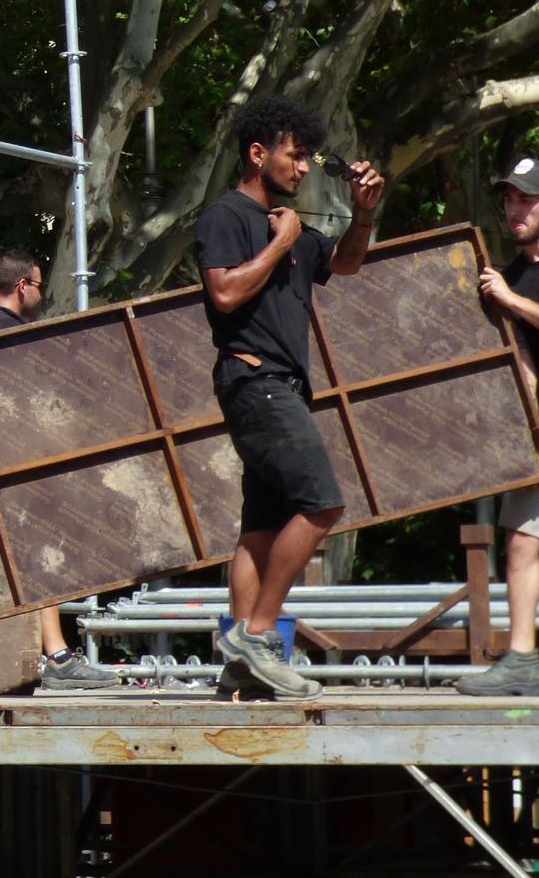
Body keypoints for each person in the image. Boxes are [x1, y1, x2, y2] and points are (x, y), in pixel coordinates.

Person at [194, 93, 384, 701]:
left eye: (306, 159)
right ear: (258, 153)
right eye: (294, 157)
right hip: (257, 383)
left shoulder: (294, 226)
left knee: (261, 528)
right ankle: (257, 635)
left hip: (284, 389)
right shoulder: (229, 217)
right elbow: (223, 295)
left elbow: (348, 267)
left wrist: (363, 214)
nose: (303, 169)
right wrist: (280, 245)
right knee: (323, 504)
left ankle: (239, 662)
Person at [458, 158, 539, 697]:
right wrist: (521, 432)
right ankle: (520, 660)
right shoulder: (512, 277)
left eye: (525, 200)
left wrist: (510, 302)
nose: (514, 210)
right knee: (521, 541)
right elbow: (527, 364)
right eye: (509, 199)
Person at [0, 251, 119, 692]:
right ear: (21, 286)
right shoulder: (4, 332)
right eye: (38, 284)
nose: (41, 293)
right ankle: (56, 656)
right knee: (42, 555)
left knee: (38, 556)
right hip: (13, 463)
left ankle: (55, 653)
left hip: (3, 462)